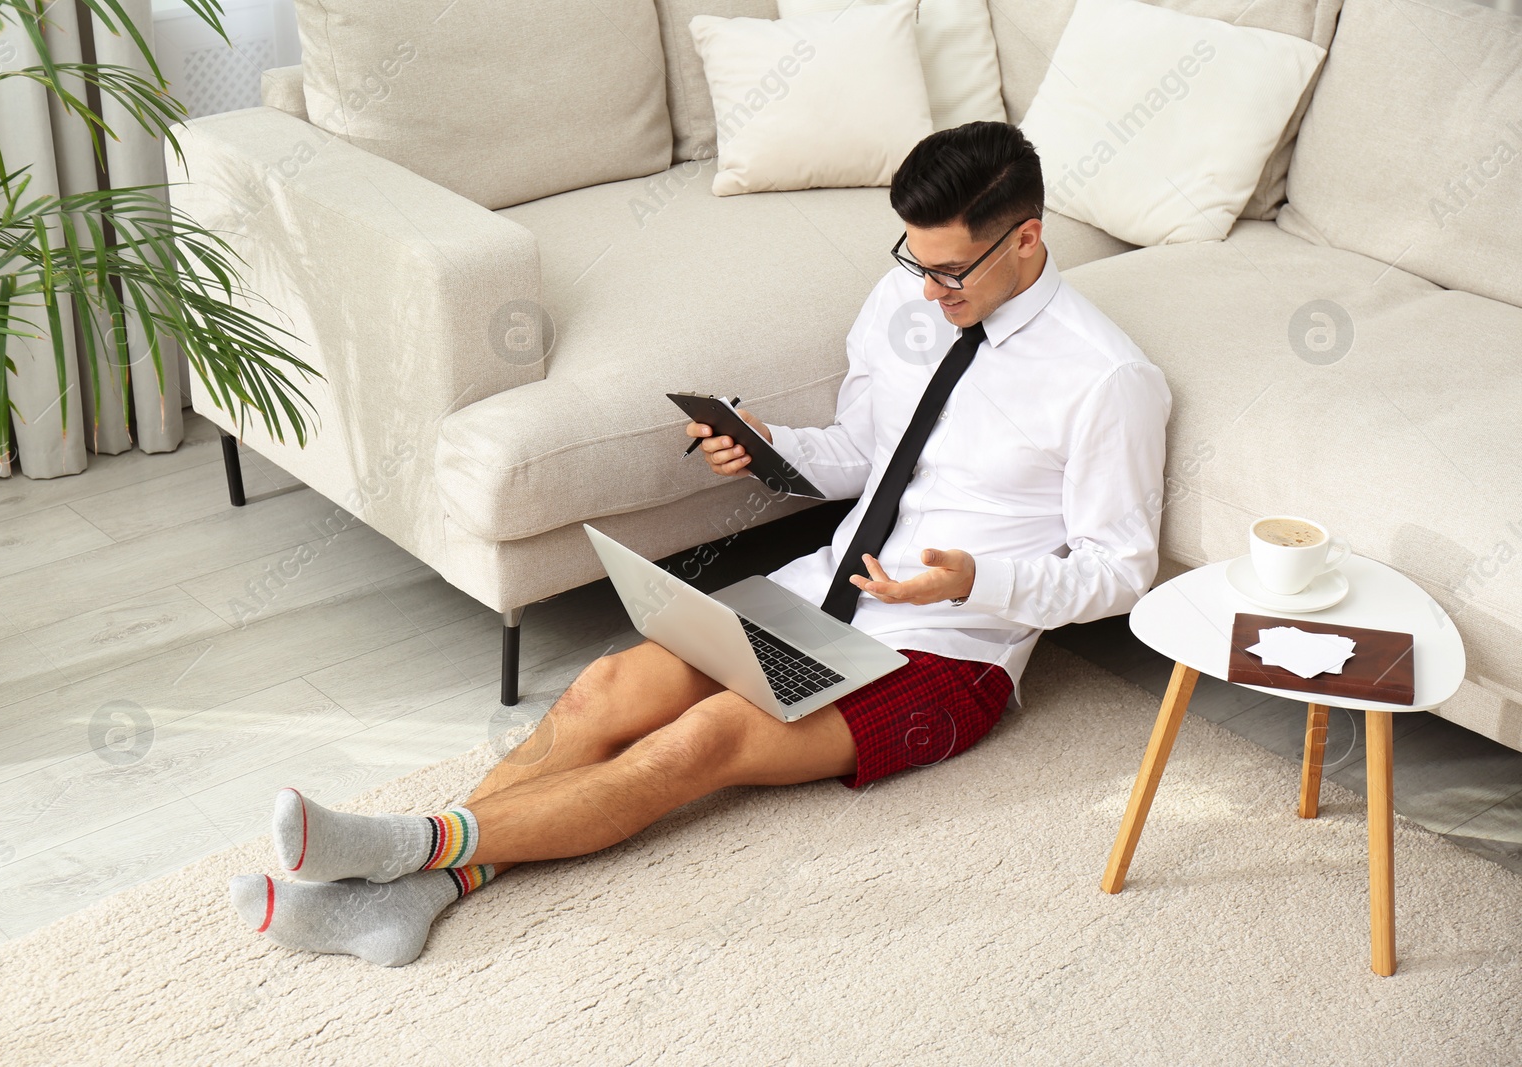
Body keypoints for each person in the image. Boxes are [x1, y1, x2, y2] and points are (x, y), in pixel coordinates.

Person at [228, 121, 1172, 967]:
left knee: (702, 740)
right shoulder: (904, 300)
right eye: (913, 261)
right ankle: (423, 890)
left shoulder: (1107, 379)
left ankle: (407, 848)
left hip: (950, 651)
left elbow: (1122, 573)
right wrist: (770, 453)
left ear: (1028, 238)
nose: (927, 291)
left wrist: (978, 579)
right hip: (827, 589)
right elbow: (863, 455)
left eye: (949, 273)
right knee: (606, 688)